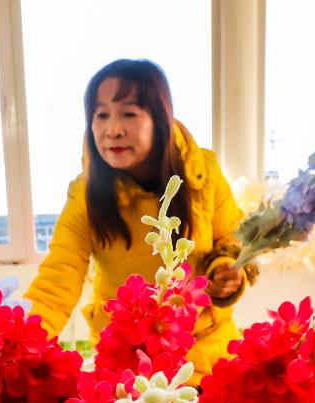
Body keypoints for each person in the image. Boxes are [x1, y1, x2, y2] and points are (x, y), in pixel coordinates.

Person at [24, 58, 251, 383]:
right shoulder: (86, 193)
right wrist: (20, 347)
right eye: (101, 115)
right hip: (126, 363)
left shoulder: (204, 172)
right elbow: (57, 281)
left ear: (160, 118)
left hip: (205, 357)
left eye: (128, 113)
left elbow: (235, 240)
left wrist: (226, 269)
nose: (112, 129)